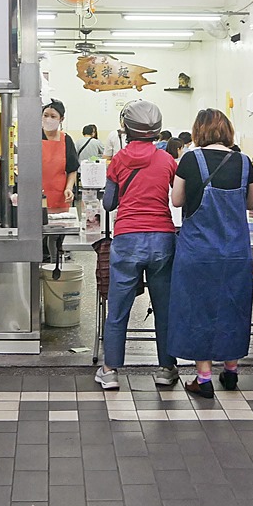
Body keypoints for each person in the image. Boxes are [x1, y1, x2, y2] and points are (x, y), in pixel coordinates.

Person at [168, 109, 253, 398]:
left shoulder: (190, 159)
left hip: (198, 251)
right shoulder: (245, 162)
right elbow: (251, 202)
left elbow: (177, 199)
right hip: (235, 251)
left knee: (198, 310)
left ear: (198, 132)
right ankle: (230, 370)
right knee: (234, 307)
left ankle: (203, 378)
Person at [95, 100, 179, 390]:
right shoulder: (168, 160)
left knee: (118, 308)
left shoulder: (118, 159)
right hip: (162, 239)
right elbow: (177, 196)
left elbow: (108, 203)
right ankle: (166, 369)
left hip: (128, 238)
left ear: (126, 127)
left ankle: (110, 371)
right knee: (164, 308)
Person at [42, 100, 79, 214]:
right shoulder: (33, 139)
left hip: (60, 196)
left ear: (61, 119)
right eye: (45, 115)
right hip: (36, 196)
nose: (48, 119)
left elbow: (72, 169)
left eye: (53, 116)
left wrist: (69, 188)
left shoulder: (66, 140)